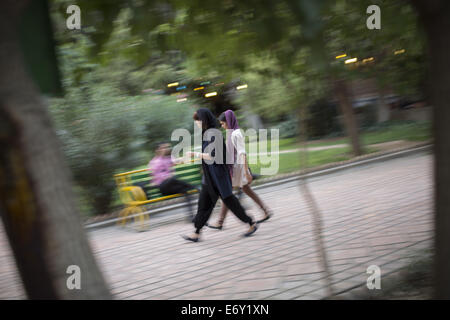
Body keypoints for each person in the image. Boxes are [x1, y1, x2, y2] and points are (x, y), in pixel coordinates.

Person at [182, 108, 258, 242]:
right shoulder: (207, 133)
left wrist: (195, 154)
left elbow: (213, 156)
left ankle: (250, 223)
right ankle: (197, 232)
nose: (197, 123)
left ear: (204, 120)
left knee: (230, 201)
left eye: (198, 120)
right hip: (210, 177)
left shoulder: (214, 134)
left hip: (219, 175)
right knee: (204, 203)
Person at [208, 110, 273, 230]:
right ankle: (266, 211)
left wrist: (247, 172)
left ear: (228, 121)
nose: (222, 126)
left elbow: (242, 153)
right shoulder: (231, 132)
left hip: (238, 169)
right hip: (235, 168)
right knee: (236, 193)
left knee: (227, 194)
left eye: (223, 123)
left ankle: (220, 221)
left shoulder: (236, 134)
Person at [149, 142, 196, 222]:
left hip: (172, 187)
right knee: (172, 178)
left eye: (167, 147)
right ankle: (194, 187)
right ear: (157, 150)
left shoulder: (169, 158)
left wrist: (187, 157)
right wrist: (167, 177)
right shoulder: (154, 162)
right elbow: (156, 178)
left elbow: (179, 161)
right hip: (163, 188)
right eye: (163, 148)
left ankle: (191, 217)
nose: (166, 149)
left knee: (185, 191)